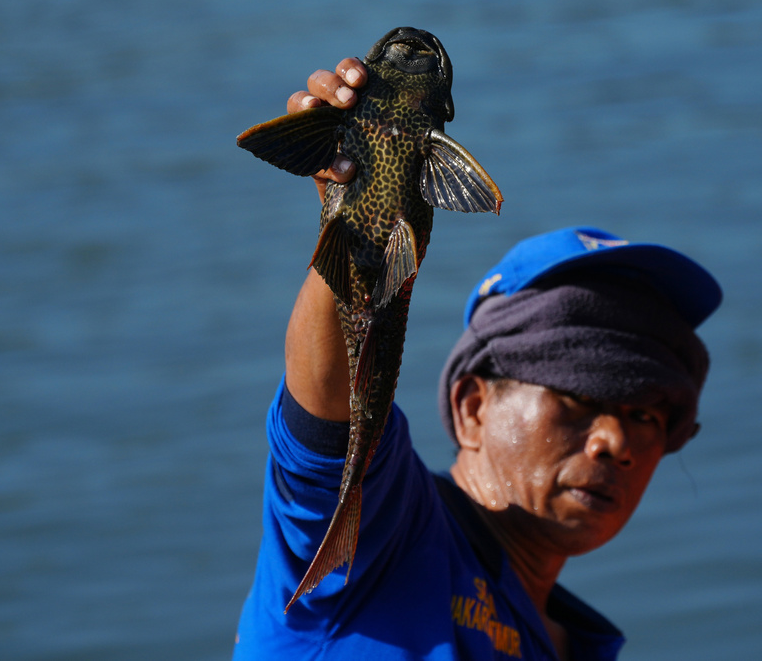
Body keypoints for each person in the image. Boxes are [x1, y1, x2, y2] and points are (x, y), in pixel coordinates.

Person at [232, 59, 722, 661]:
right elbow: (327, 427)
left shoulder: (579, 647)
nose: (614, 441)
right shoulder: (377, 534)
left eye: (648, 415)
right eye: (578, 397)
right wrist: (354, 212)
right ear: (471, 406)